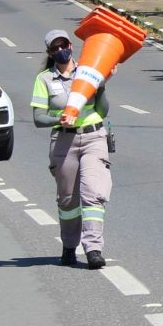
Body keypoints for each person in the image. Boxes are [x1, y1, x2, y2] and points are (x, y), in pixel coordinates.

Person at [31, 29, 113, 269]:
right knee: (68, 200)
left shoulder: (88, 72)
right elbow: (38, 118)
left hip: (93, 137)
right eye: (55, 48)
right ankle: (69, 247)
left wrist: (101, 86)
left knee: (93, 193)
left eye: (63, 45)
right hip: (63, 141)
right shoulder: (45, 79)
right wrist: (58, 119)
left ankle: (93, 249)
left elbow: (102, 110)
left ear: (70, 46)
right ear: (50, 53)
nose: (60, 51)